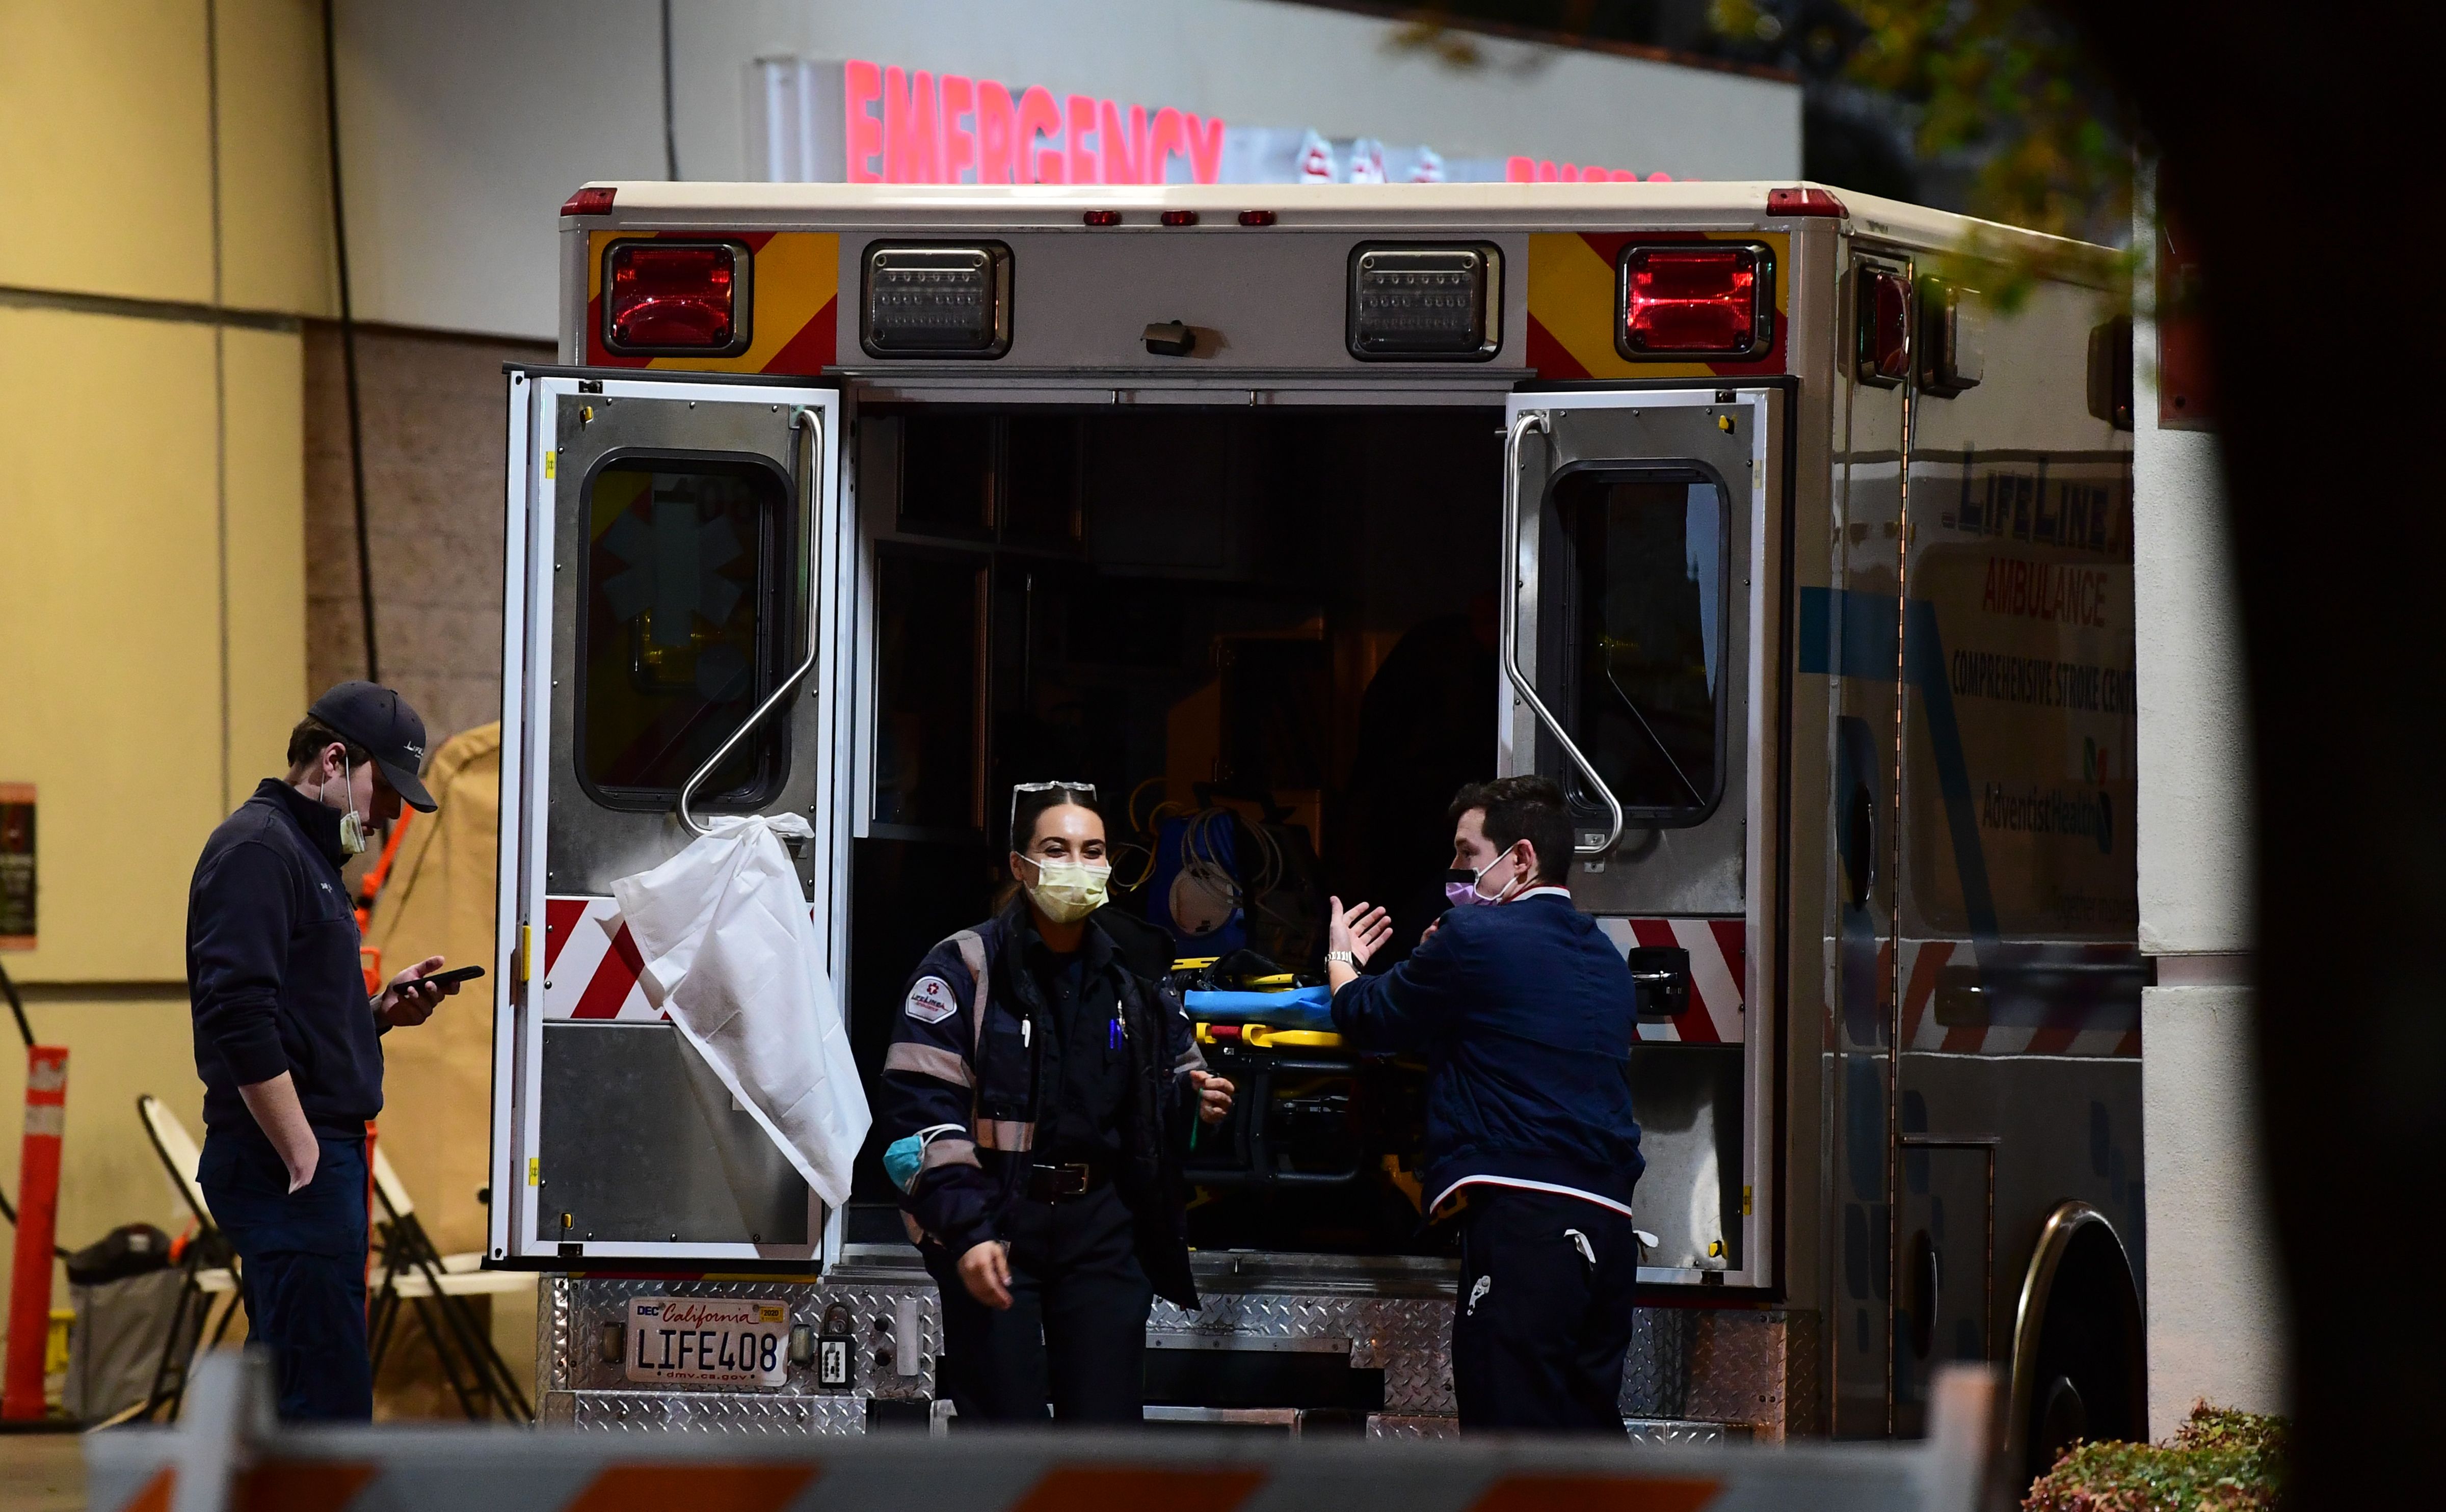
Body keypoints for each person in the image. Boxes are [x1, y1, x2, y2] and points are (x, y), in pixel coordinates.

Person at [878, 782, 1234, 1424]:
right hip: (997, 1226)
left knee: (1103, 1448)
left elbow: (1174, 1074)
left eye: (1092, 850)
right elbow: (922, 1113)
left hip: (1102, 1233)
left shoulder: (1135, 974)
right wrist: (968, 1229)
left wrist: (1195, 1098)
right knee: (1006, 1444)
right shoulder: (963, 968)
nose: (1077, 863)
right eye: (1056, 848)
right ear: (1021, 865)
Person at [1323, 774, 1644, 1432]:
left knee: (1507, 1444)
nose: (1455, 871)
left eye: (1468, 855)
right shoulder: (1608, 960)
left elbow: (1370, 1017)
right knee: (1587, 1444)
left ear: (1520, 859)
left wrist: (1342, 959)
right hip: (1609, 1235)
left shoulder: (1474, 938)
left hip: (1526, 1229)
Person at [185, 682, 467, 1420]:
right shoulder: (258, 851)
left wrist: (374, 1013)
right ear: (336, 760)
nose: (389, 816)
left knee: (296, 1391)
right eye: (385, 791)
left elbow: (292, 1015)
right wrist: (302, 1152)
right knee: (320, 1405)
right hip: (285, 1162)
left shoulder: (306, 857)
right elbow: (237, 1012)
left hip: (308, 1159)